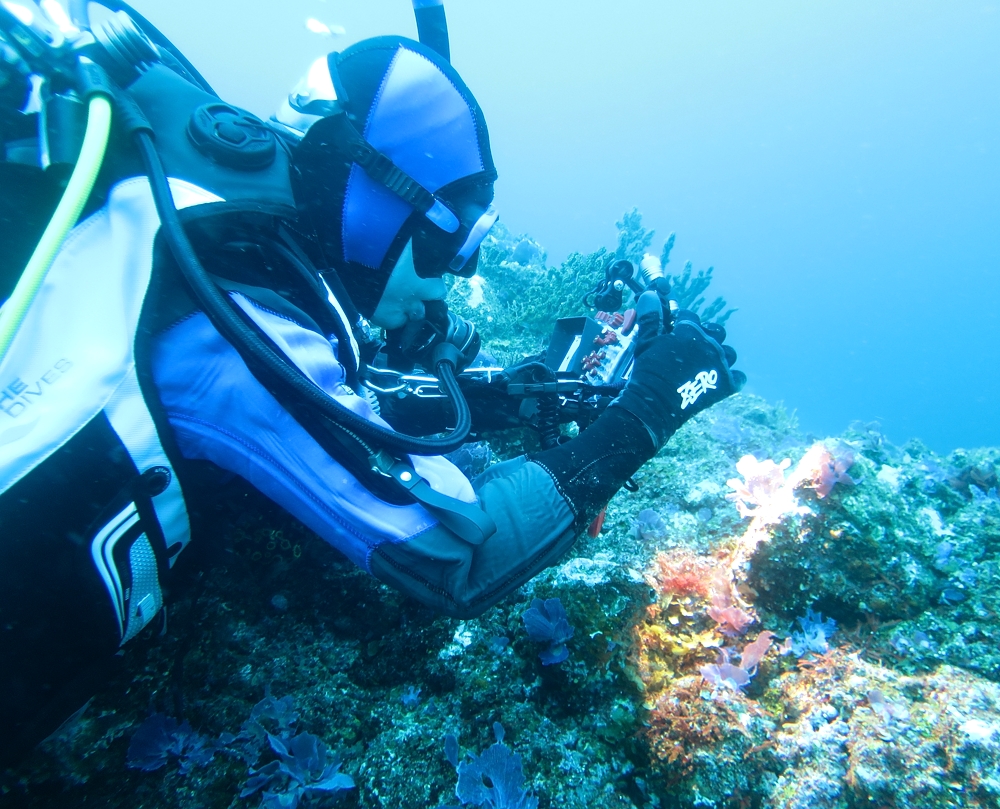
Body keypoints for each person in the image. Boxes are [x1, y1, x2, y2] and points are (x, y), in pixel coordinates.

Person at [0, 0, 745, 766]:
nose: (452, 280)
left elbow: (344, 404)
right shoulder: (225, 312)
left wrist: (505, 396)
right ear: (379, 199)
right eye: (450, 241)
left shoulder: (219, 220)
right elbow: (453, 558)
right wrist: (651, 408)